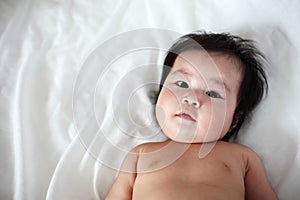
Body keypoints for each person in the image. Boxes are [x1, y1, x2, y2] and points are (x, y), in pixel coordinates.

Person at [106, 31, 278, 200]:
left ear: (234, 120)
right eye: (182, 83)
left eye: (212, 93)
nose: (191, 99)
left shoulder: (243, 158)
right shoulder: (141, 154)